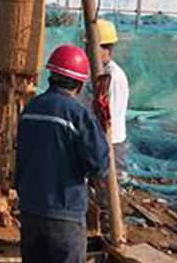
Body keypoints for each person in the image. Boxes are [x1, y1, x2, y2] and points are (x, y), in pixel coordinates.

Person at [15, 44, 109, 263]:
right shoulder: (78, 115)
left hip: (30, 209)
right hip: (64, 213)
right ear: (79, 82)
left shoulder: (30, 109)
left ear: (51, 76)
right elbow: (99, 164)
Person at [92, 19, 130, 177]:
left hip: (110, 142)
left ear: (106, 48)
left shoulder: (113, 77)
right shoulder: (98, 73)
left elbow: (108, 118)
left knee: (107, 188)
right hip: (99, 140)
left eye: (91, 47)